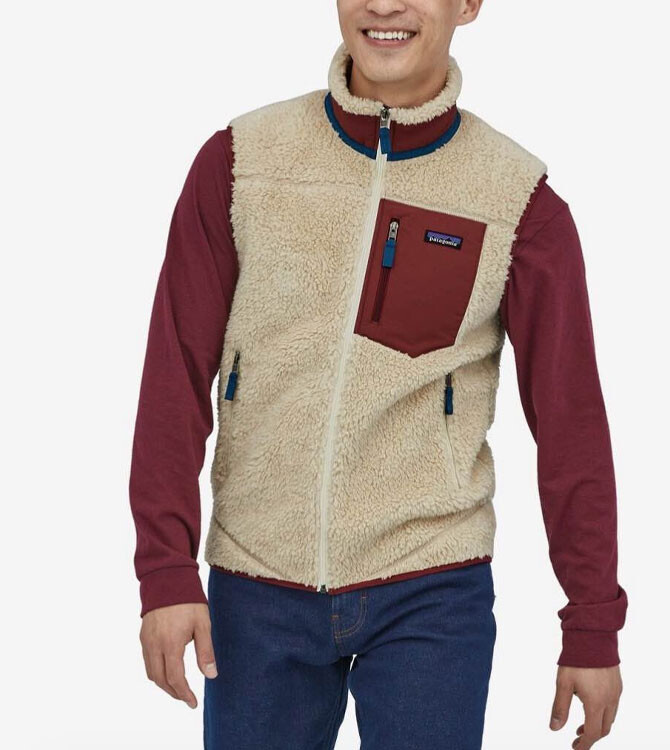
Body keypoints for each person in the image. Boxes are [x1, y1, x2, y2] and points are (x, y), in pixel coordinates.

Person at [129, 1, 628, 747]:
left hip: (432, 588)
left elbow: (570, 425)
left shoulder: (517, 200)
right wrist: (165, 570)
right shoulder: (241, 162)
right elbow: (173, 374)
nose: (385, 5)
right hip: (256, 588)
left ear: (468, 4)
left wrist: (592, 623)